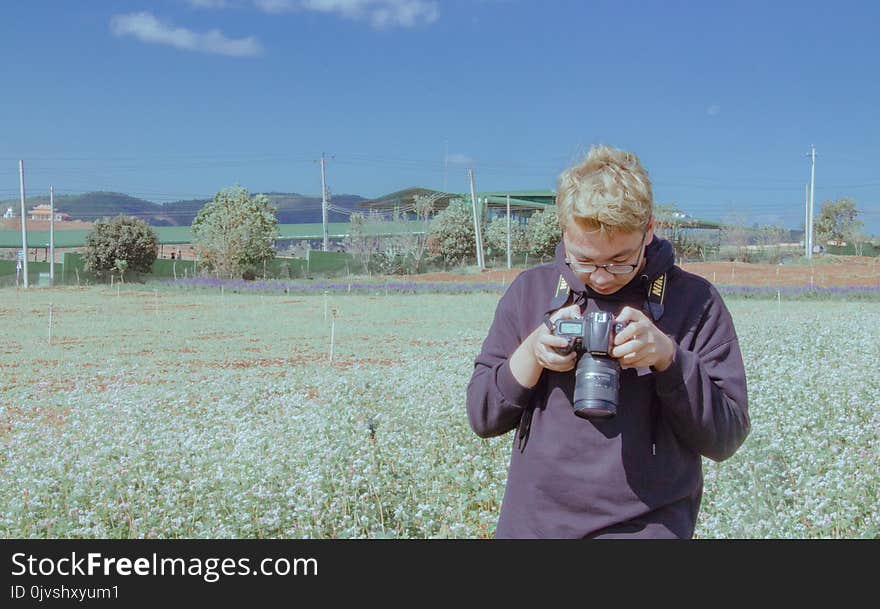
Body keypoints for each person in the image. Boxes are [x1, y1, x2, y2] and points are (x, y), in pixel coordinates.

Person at [466, 145, 750, 538]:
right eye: (583, 260)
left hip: (648, 528)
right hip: (534, 525)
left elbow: (726, 437)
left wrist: (669, 359)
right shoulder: (531, 292)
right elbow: (482, 417)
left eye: (619, 260)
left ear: (649, 230)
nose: (600, 277)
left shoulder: (695, 302)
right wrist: (532, 353)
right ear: (564, 232)